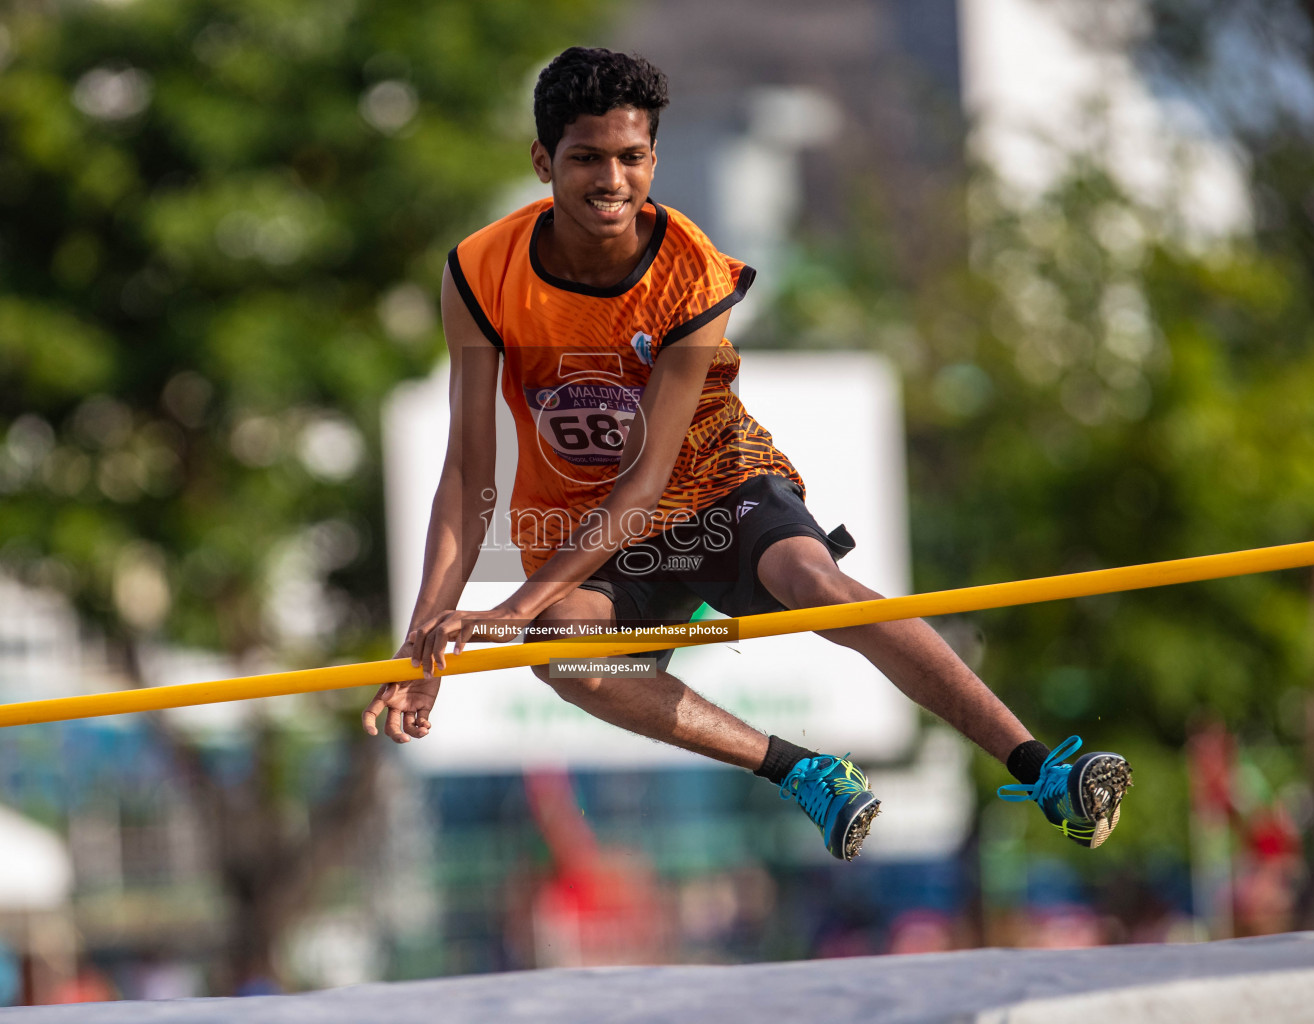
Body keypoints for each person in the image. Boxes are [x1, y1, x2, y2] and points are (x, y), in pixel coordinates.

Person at [362, 46, 1132, 859]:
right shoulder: (481, 272)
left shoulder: (691, 274)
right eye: (586, 158)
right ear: (542, 159)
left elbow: (644, 484)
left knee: (814, 582)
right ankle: (798, 769)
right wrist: (424, 644)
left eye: (631, 158)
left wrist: (509, 609)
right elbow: (467, 474)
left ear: (654, 158)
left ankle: (1040, 766)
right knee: (562, 657)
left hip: (714, 489)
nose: (611, 181)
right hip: (582, 527)